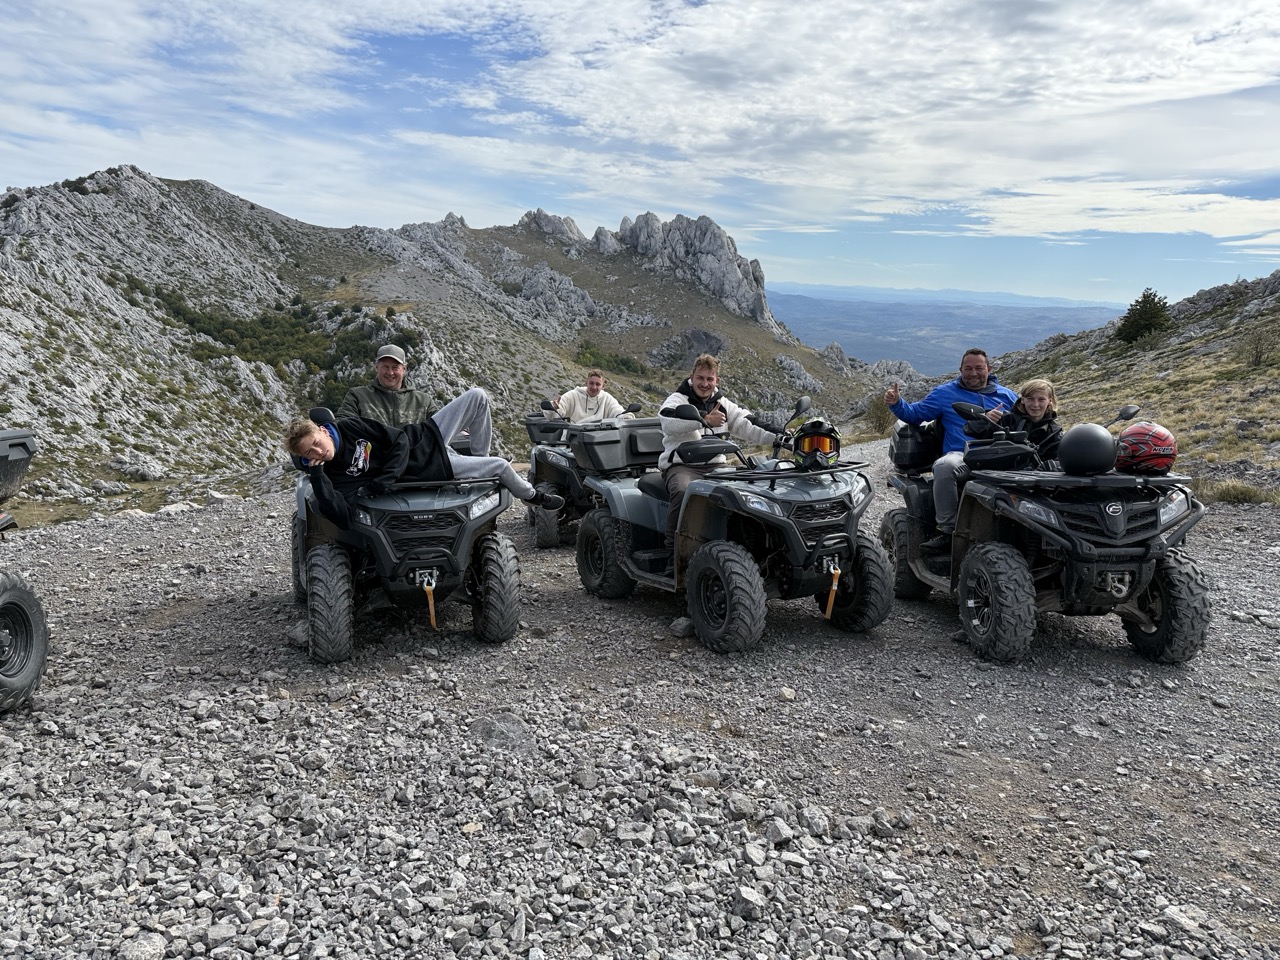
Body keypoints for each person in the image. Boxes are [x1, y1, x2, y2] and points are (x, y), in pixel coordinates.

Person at [286, 387, 563, 529]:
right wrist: (318, 475)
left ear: (322, 431)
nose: (319, 452)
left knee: (478, 396)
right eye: (309, 454)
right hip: (432, 466)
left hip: (425, 435)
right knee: (502, 466)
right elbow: (341, 516)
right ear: (305, 460)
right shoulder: (332, 474)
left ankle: (479, 468)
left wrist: (383, 480)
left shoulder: (348, 427)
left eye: (317, 444)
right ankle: (531, 496)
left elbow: (399, 439)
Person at [883, 348, 1019, 553]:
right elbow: (915, 414)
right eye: (968, 368)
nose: (973, 373)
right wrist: (896, 403)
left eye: (979, 368)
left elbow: (1025, 422)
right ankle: (948, 531)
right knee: (944, 466)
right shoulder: (946, 393)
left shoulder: (1007, 396)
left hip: (1002, 454)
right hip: (963, 455)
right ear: (961, 370)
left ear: (989, 369)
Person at [659, 354, 779, 570]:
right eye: (700, 378)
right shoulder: (678, 399)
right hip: (682, 467)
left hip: (716, 467)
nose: (704, 384)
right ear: (691, 377)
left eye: (710, 379)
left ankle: (750, 551)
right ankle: (673, 557)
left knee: (746, 493)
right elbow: (668, 421)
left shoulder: (722, 404)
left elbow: (749, 424)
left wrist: (782, 436)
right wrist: (703, 419)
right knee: (682, 491)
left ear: (717, 380)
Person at [336, 344, 436, 426]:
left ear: (404, 369)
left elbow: (442, 430)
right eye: (385, 367)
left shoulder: (424, 402)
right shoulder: (357, 396)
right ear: (376, 367)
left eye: (395, 367)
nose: (390, 372)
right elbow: (341, 424)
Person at [553, 369, 635, 423]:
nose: (594, 387)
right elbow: (559, 410)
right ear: (586, 383)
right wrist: (554, 408)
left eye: (598, 384)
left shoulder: (607, 398)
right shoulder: (573, 395)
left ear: (603, 386)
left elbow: (617, 411)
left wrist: (625, 417)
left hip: (598, 442)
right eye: (591, 383)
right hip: (572, 440)